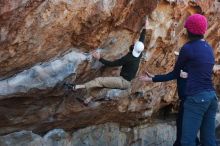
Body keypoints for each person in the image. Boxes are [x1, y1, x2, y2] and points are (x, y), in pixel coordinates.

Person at [140, 14, 218, 146]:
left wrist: (153, 79)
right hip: (211, 98)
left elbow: (176, 73)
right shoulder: (209, 49)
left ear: (188, 30)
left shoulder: (187, 48)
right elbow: (199, 71)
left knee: (186, 142)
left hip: (195, 99)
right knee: (209, 141)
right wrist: (185, 74)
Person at [72, 19, 148, 105]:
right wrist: (145, 27)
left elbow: (112, 64)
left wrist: (99, 58)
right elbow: (142, 40)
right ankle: (87, 101)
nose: (134, 43)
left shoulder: (128, 58)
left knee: (100, 81)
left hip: (122, 82)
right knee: (103, 85)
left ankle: (76, 87)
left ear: (134, 48)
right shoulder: (139, 54)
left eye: (134, 44)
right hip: (126, 83)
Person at [139, 51, 200, 146]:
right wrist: (152, 78)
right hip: (185, 101)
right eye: (175, 57)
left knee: (184, 125)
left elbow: (202, 75)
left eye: (177, 57)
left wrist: (189, 75)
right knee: (183, 124)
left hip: (192, 101)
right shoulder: (179, 68)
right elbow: (168, 76)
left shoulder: (190, 67)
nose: (175, 59)